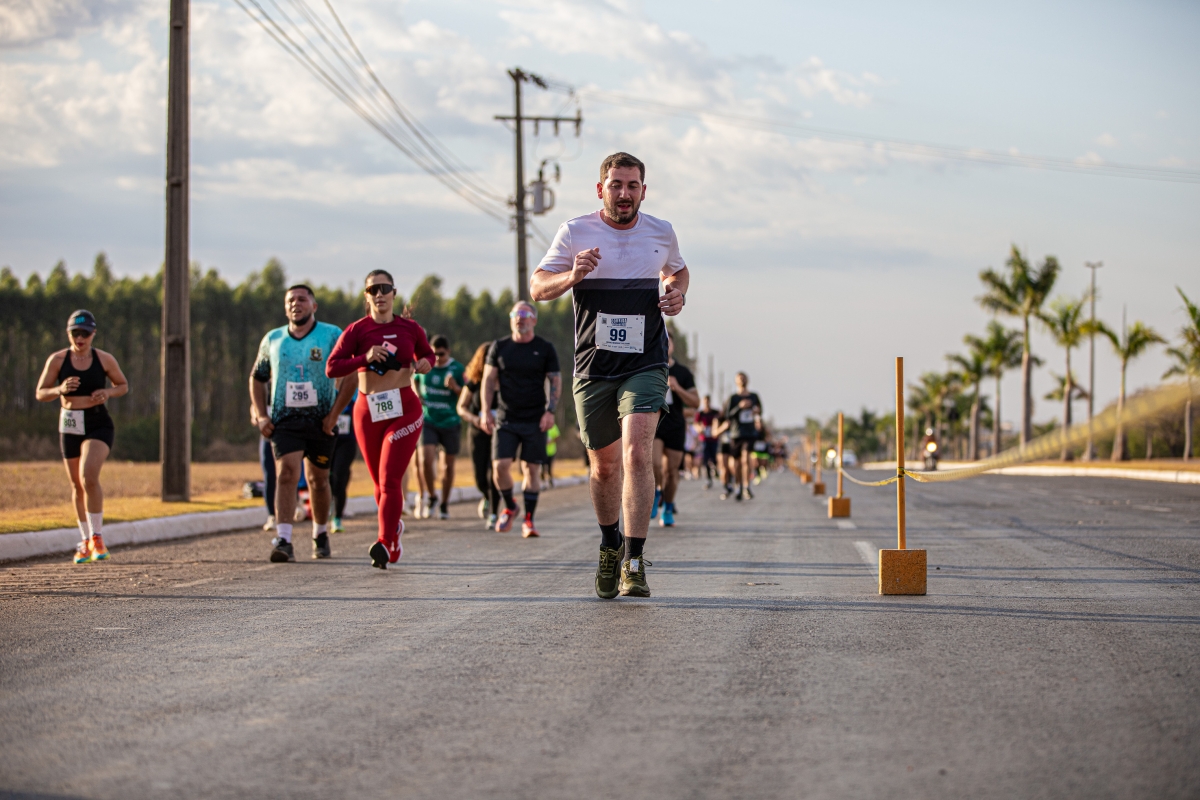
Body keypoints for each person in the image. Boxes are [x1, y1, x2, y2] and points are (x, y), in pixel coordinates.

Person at [530, 151, 689, 599]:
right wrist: (571, 276)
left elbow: (678, 270)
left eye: (632, 185)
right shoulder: (575, 231)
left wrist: (676, 292)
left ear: (643, 191)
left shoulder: (661, 231)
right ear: (600, 189)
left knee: (638, 454)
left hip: (645, 361)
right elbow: (537, 286)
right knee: (604, 468)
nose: (624, 193)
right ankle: (609, 545)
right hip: (593, 367)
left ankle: (634, 561)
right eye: (616, 185)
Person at [327, 270, 433, 569]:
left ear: (394, 293)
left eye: (384, 288)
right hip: (368, 411)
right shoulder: (357, 330)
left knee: (389, 479)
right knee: (379, 483)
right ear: (367, 296)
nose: (379, 294)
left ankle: (384, 541)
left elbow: (428, 355)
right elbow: (332, 367)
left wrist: (426, 363)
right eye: (373, 289)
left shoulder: (410, 328)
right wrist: (365, 358)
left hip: (404, 408)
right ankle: (394, 533)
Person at [250, 285, 352, 563]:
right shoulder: (273, 339)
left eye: (302, 299)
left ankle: (320, 533)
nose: (296, 304)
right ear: (285, 308)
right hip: (285, 420)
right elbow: (257, 378)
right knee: (286, 473)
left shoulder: (332, 335)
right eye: (291, 300)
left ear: (314, 306)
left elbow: (351, 375)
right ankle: (284, 539)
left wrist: (334, 415)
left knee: (318, 480)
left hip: (321, 421)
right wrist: (261, 414)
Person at [35, 310, 130, 564]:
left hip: (98, 423)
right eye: (75, 333)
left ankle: (98, 537)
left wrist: (108, 393)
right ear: (68, 333)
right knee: (77, 485)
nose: (80, 339)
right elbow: (40, 393)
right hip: (69, 424)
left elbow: (123, 385)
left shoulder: (104, 359)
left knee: (89, 475)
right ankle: (85, 541)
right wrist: (59, 389)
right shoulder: (57, 360)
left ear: (93, 334)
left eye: (85, 334)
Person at [480, 302, 560, 538]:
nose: (520, 318)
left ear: (534, 320)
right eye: (516, 314)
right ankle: (510, 506)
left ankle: (529, 520)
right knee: (499, 466)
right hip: (506, 417)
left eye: (525, 314)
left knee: (531, 469)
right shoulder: (499, 347)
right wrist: (486, 411)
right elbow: (488, 380)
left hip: (535, 419)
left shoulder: (545, 348)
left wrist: (550, 411)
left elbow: (555, 380)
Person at [415, 335, 465, 519]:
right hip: (428, 420)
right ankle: (432, 497)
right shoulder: (425, 365)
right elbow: (414, 379)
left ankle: (444, 503)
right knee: (425, 460)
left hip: (450, 422)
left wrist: (455, 387)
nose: (437, 358)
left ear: (448, 352)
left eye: (441, 354)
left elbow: (467, 396)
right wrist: (417, 394)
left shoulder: (458, 369)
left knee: (447, 466)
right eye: (434, 353)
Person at [652, 332, 698, 527]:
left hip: (676, 425)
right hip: (654, 422)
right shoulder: (649, 367)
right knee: (654, 464)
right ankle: (656, 493)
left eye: (668, 342)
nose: (664, 345)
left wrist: (677, 388)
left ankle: (668, 507)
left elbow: (695, 402)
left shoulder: (683, 372)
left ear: (672, 346)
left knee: (672, 471)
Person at [457, 342, 502, 529]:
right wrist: (475, 419)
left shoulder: (505, 381)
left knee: (495, 474)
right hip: (478, 433)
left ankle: (494, 513)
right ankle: (486, 496)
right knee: (480, 478)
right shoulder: (474, 382)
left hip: (500, 434)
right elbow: (461, 407)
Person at [725, 372, 763, 502]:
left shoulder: (754, 396)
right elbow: (728, 415)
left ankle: (747, 487)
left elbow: (760, 410)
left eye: (744, 378)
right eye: (739, 378)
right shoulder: (733, 398)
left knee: (746, 459)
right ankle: (738, 486)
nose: (742, 380)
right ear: (736, 381)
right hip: (736, 433)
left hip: (750, 433)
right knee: (736, 463)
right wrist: (739, 407)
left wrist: (756, 411)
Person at [329, 390, 358, 532]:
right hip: (327, 440)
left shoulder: (354, 392)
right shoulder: (327, 390)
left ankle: (337, 517)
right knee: (327, 478)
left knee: (339, 476)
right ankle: (328, 507)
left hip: (347, 441)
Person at [693, 395, 720, 489]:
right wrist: (699, 429)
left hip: (714, 438)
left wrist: (716, 428)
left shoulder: (715, 412)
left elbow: (720, 420)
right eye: (705, 401)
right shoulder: (700, 413)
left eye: (708, 401)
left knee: (714, 457)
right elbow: (696, 424)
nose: (706, 403)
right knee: (706, 459)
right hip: (704, 439)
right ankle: (708, 479)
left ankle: (716, 469)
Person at [542, 422, 560, 487]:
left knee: (550, 467)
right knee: (542, 467)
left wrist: (551, 441)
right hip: (543, 451)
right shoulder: (541, 424)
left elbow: (557, 436)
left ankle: (550, 481)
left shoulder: (553, 426)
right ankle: (543, 482)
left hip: (551, 451)